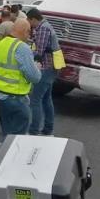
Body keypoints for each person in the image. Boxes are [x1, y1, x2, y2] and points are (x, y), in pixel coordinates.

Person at [0, 19, 41, 136]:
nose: (29, 36)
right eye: (29, 33)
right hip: (16, 98)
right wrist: (37, 67)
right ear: (25, 31)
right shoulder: (22, 47)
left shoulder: (1, 43)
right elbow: (34, 77)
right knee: (16, 138)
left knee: (7, 134)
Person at [27, 8, 61, 136]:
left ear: (33, 19)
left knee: (35, 100)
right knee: (47, 99)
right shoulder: (48, 26)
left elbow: (39, 52)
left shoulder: (42, 29)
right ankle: (48, 129)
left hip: (46, 68)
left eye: (29, 22)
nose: (30, 25)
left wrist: (26, 50)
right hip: (53, 67)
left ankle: (34, 130)